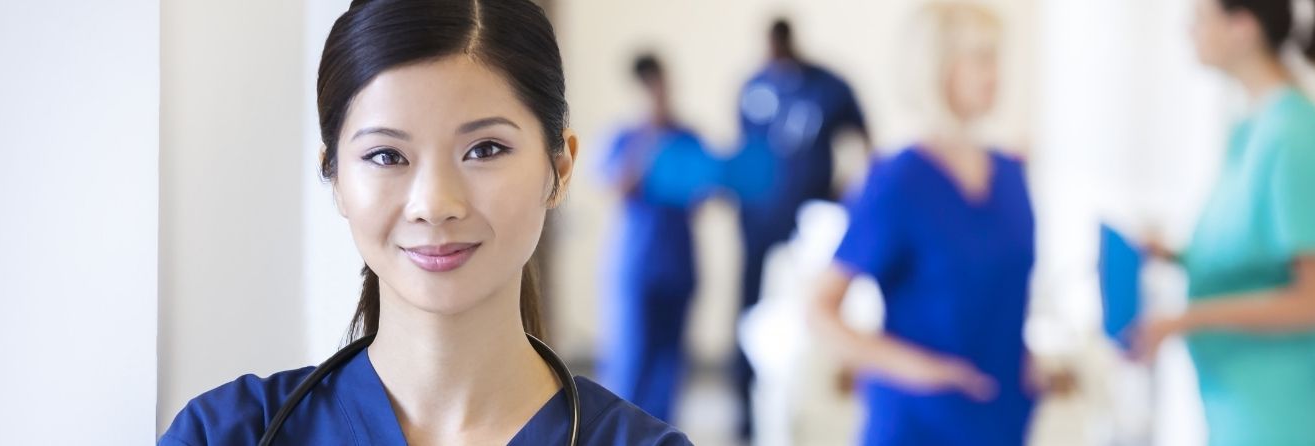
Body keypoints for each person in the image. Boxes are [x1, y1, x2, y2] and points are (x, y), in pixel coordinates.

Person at [158, 0, 691, 444]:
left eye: (485, 149)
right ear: (335, 175)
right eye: (387, 156)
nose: (435, 204)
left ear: (560, 168)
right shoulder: (229, 434)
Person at [809, 3, 1038, 445]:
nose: (996, 72)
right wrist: (921, 371)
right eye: (981, 57)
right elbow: (819, 309)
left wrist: (1025, 357)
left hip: (1000, 419)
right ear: (939, 66)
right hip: (919, 423)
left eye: (997, 57)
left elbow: (1005, 293)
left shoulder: (1009, 174)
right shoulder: (898, 181)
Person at [1134, 1, 1315, 445]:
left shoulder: (1295, 138)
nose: (1188, 29)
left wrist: (1185, 319)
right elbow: (1253, 256)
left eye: (1200, 17)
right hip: (1237, 400)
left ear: (1242, 27)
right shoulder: (1252, 127)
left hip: (1279, 406)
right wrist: (1172, 254)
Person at [727, 18, 868, 438]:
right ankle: (747, 412)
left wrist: (851, 189)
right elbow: (745, 151)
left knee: (812, 308)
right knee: (751, 310)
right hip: (758, 223)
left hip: (810, 226)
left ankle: (816, 393)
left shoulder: (828, 86)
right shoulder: (752, 87)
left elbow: (862, 137)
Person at [598, 53, 717, 424]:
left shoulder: (689, 137)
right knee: (630, 358)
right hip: (637, 265)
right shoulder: (625, 137)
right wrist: (651, 136)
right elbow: (620, 187)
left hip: (678, 263)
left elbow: (702, 196)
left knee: (671, 364)